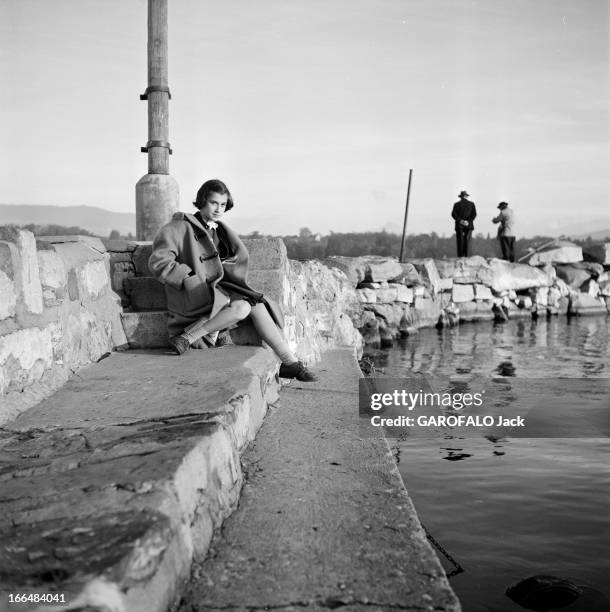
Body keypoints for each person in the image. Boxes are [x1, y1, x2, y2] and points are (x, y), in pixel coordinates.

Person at [148, 178, 317, 382]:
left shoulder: (221, 231)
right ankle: (187, 337)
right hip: (194, 296)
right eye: (214, 203)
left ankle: (290, 363)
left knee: (258, 306)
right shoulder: (178, 227)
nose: (219, 209)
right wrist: (188, 278)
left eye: (223, 204)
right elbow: (159, 261)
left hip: (219, 292)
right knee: (244, 308)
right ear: (202, 201)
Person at [451, 190, 477, 257]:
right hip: (469, 225)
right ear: (466, 196)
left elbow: (453, 214)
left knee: (460, 241)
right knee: (468, 241)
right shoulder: (471, 204)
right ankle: (467, 256)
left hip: (459, 225)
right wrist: (468, 221)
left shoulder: (456, 204)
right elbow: (474, 214)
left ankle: (460, 256)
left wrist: (460, 221)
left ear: (460, 197)